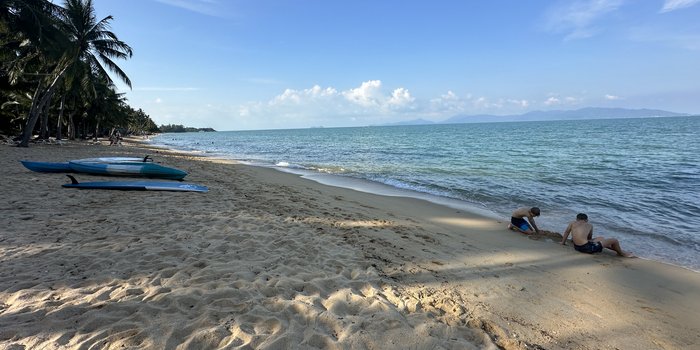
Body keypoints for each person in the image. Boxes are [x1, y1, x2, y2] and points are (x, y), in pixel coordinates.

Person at [560, 213, 634, 257]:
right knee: (614, 240)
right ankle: (621, 253)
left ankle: (618, 250)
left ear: (577, 219)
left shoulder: (572, 223)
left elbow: (566, 232)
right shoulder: (589, 225)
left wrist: (563, 243)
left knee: (601, 238)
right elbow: (589, 238)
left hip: (577, 247)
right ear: (586, 220)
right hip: (587, 249)